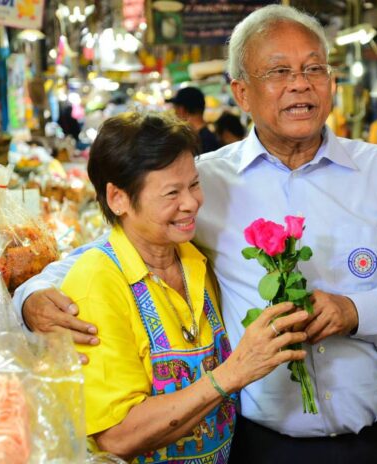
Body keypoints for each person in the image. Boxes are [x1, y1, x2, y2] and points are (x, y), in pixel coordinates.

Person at [13, 5, 377, 463]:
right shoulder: (205, 182)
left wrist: (358, 310)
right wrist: (32, 295)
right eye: (279, 71)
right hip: (259, 446)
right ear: (242, 93)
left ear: (331, 82)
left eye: (314, 68)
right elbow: (112, 250)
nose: (300, 83)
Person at [59, 111, 308, 463]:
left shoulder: (195, 259)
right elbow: (117, 436)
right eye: (172, 192)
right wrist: (232, 373)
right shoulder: (96, 281)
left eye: (193, 184)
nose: (192, 203)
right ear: (118, 198)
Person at [168, 87, 220, 154]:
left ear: (182, 110)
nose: (175, 113)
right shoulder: (210, 136)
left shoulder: (197, 141)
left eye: (175, 108)